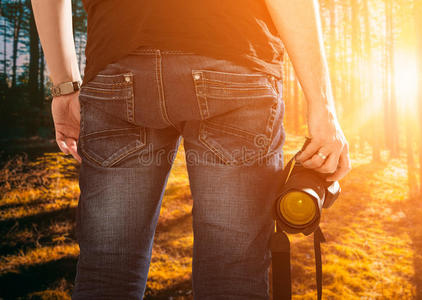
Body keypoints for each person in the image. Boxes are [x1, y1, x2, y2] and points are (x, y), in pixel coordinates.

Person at [31, 0, 351, 299]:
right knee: (233, 274)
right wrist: (322, 105)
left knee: (106, 273)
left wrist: (64, 86)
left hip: (118, 65)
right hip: (234, 58)